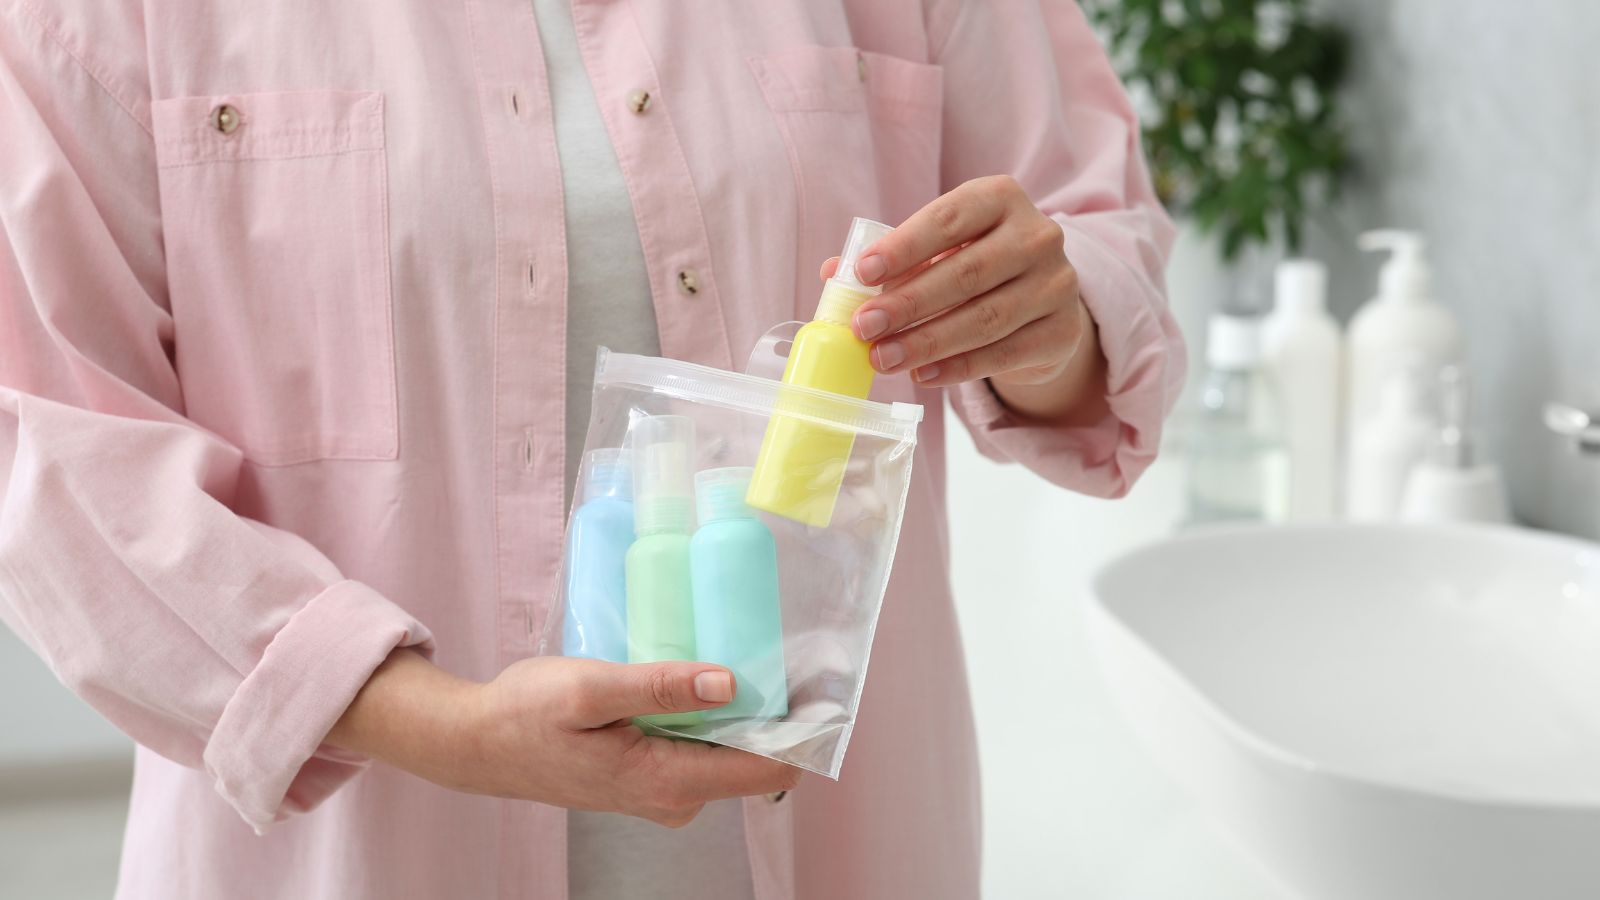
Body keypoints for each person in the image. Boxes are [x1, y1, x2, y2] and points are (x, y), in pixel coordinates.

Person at [0, 0, 1183, 897]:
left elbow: (1098, 253)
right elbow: (51, 448)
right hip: (361, 855)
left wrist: (1038, 323)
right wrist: (437, 724)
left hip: (840, 841)